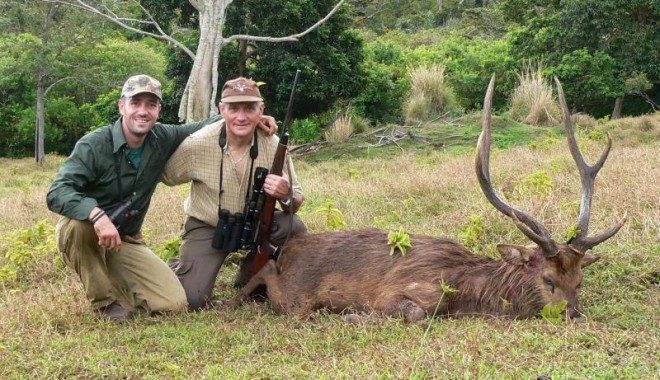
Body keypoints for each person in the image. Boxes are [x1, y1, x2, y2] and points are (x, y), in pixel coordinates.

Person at [46, 74, 277, 322]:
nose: (143, 112)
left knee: (174, 303)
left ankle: (122, 280)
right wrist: (97, 215)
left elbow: (207, 124)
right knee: (81, 227)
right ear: (121, 105)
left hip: (125, 238)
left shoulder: (162, 137)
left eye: (151, 104)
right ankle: (104, 303)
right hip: (88, 231)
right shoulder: (93, 145)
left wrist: (252, 120)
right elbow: (57, 192)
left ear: (159, 109)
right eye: (135, 103)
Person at [162, 76, 307, 310]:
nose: (241, 117)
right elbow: (166, 175)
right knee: (193, 299)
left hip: (255, 223)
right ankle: (181, 265)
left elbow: (295, 201)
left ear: (261, 110)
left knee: (294, 226)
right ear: (222, 110)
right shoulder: (198, 143)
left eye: (250, 108)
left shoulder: (273, 144)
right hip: (209, 225)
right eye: (233, 108)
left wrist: (285, 193)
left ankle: (251, 269)